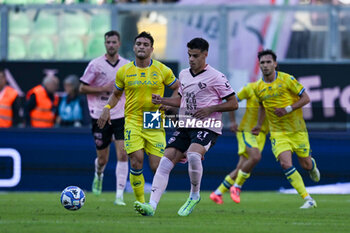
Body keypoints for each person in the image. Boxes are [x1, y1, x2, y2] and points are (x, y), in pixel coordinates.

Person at [133, 37, 238, 217]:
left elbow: (234, 103)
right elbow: (181, 100)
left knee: (193, 154)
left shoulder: (216, 76)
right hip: (186, 124)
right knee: (165, 161)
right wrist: (164, 101)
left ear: (205, 54)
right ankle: (151, 206)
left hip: (208, 126)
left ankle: (194, 195)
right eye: (189, 55)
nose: (191, 59)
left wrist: (210, 109)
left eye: (195, 56)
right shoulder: (184, 74)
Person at [97, 31, 179, 205]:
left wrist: (170, 103)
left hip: (154, 118)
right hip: (133, 120)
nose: (142, 47)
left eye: (145, 45)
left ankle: (152, 200)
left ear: (152, 49)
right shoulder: (124, 71)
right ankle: (141, 202)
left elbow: (180, 88)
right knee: (136, 161)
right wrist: (107, 108)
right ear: (134, 47)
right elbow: (116, 94)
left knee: (157, 166)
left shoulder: (162, 69)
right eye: (139, 44)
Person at [251, 49, 320, 209]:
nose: (266, 65)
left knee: (306, 165)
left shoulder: (287, 79)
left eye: (269, 62)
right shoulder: (258, 87)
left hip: (297, 131)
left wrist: (287, 109)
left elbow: (306, 98)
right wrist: (259, 125)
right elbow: (262, 106)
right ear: (259, 65)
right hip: (278, 133)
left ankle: (312, 165)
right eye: (262, 62)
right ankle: (308, 198)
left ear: (275, 64)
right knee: (285, 164)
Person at [80, 30, 130, 205]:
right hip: (99, 114)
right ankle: (98, 174)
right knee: (103, 159)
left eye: (114, 42)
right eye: (108, 42)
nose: (111, 45)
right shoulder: (95, 65)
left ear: (119, 44)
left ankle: (119, 195)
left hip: (121, 114)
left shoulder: (126, 65)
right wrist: (104, 89)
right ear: (104, 44)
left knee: (123, 154)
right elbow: (82, 88)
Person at [210, 81, 269, 204]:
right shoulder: (251, 88)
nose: (265, 66)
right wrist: (232, 121)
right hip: (247, 131)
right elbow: (232, 101)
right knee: (255, 157)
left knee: (241, 168)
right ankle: (237, 187)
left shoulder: (278, 92)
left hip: (262, 133)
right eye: (263, 63)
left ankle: (217, 193)